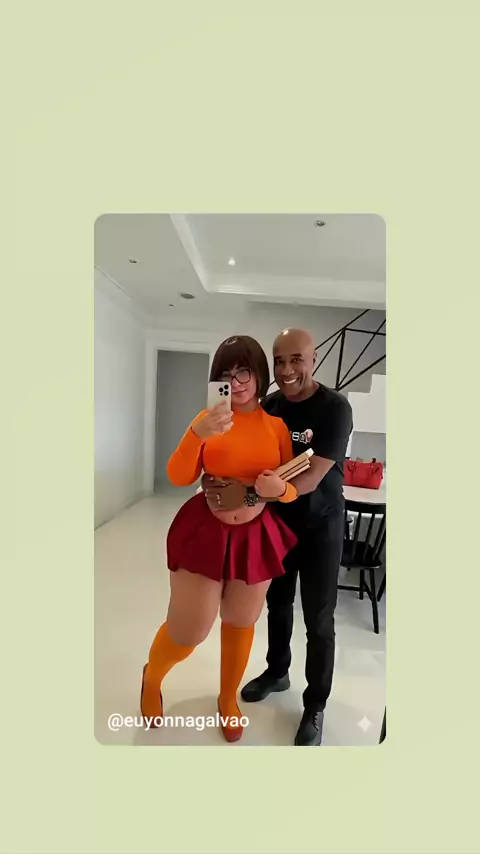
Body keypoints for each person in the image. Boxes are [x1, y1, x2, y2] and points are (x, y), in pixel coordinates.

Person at [140, 335, 299, 742]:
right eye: (226, 374)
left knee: (241, 621)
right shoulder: (207, 419)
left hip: (256, 535)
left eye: (244, 371)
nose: (237, 381)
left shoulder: (276, 427)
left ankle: (228, 698)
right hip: (206, 529)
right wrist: (197, 433)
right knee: (189, 629)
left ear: (259, 374)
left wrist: (280, 490)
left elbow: (290, 487)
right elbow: (179, 476)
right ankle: (151, 677)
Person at [204, 328, 353, 746]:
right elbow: (238, 445)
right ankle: (277, 671)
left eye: (296, 360)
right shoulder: (269, 405)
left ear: (314, 360)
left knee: (319, 620)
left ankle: (315, 704)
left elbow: (310, 478)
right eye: (280, 361)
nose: (287, 370)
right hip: (279, 526)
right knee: (278, 604)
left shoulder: (335, 408)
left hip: (322, 525)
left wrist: (251, 493)